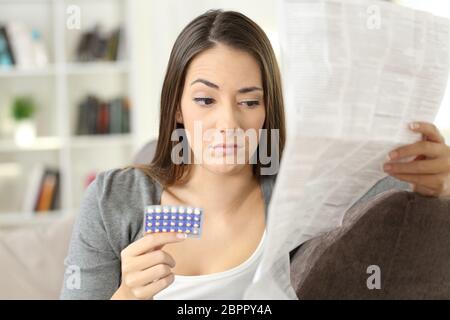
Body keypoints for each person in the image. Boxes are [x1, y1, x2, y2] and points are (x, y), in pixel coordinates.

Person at [60, 9, 450, 300]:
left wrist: (440, 176)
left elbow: (401, 184)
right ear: (177, 108)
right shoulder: (112, 200)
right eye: (204, 99)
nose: (227, 122)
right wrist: (125, 294)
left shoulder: (301, 189)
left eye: (248, 102)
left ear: (267, 111)